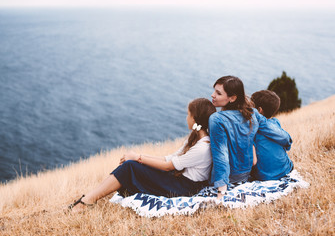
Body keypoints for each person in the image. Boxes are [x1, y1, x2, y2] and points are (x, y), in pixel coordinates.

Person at [68, 98, 216, 212]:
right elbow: (168, 158)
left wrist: (137, 158)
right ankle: (88, 199)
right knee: (132, 165)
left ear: (195, 119)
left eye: (188, 114)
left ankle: (86, 202)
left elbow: (167, 166)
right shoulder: (195, 138)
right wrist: (139, 157)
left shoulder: (203, 147)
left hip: (183, 188)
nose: (186, 118)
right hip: (177, 180)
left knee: (129, 167)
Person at [209, 76, 291, 199]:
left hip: (228, 179)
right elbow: (277, 133)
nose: (212, 95)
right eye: (214, 91)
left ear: (232, 98)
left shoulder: (216, 119)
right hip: (245, 176)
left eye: (218, 93)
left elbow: (221, 155)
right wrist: (287, 143)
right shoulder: (252, 113)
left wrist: (221, 191)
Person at [250, 90, 293, 181]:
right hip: (286, 170)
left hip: (263, 176)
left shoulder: (252, 130)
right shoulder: (275, 123)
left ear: (259, 111)